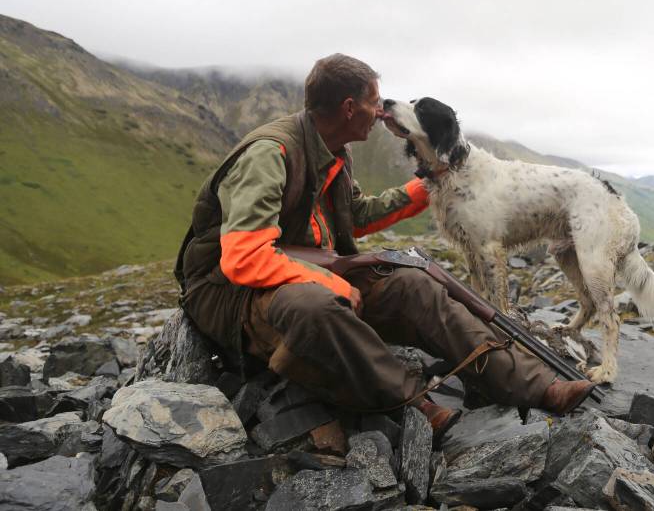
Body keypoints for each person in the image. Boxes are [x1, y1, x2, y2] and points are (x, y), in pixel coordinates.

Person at [175, 53, 595, 437]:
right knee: (317, 306)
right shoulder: (271, 154)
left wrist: (425, 185)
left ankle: (538, 386)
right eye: (374, 103)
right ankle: (413, 402)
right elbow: (244, 257)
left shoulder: (331, 150)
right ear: (348, 108)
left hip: (302, 271)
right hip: (229, 292)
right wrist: (331, 283)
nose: (381, 112)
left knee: (416, 284)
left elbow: (357, 214)